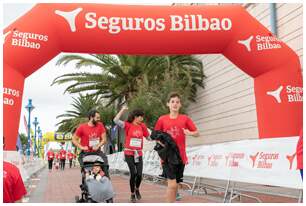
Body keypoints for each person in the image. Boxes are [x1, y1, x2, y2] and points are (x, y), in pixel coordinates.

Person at [154, 92, 199, 202]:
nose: (175, 104)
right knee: (173, 185)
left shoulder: (185, 119)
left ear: (180, 105)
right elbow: (155, 136)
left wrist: (190, 133)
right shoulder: (162, 119)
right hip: (168, 156)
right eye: (172, 102)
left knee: (175, 186)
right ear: (168, 104)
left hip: (181, 156)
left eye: (177, 102)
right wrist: (163, 145)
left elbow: (197, 133)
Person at [113, 106, 150, 203]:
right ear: (135, 117)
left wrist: (158, 138)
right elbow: (116, 120)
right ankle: (132, 194)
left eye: (142, 117)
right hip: (129, 152)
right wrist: (122, 110)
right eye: (140, 117)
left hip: (139, 153)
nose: (142, 119)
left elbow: (148, 137)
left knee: (139, 174)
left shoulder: (143, 126)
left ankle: (137, 188)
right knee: (133, 173)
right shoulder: (127, 125)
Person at [72, 109, 109, 177]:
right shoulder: (82, 127)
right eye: (97, 118)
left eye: (99, 117)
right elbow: (74, 139)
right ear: (91, 117)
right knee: (84, 168)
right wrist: (81, 147)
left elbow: (104, 139)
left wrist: (98, 145)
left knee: (105, 164)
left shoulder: (100, 125)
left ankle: (106, 180)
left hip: (97, 152)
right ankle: (85, 181)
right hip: (85, 153)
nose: (99, 119)